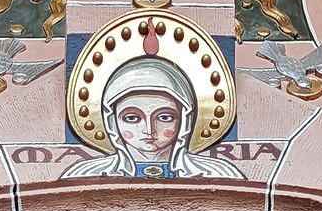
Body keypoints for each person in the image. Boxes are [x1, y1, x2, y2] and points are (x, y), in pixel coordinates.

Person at [63, 55, 242, 179]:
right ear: (112, 122)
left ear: (185, 119)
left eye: (164, 117)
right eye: (132, 118)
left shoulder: (218, 174)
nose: (149, 130)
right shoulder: (85, 175)